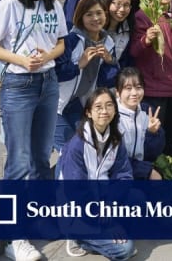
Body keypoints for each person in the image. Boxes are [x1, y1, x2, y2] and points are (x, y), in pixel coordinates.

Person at [0, 0, 67, 261]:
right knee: (18, 162)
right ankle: (14, 238)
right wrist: (19, 59)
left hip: (48, 83)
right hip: (18, 85)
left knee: (42, 158)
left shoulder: (52, 4)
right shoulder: (9, 4)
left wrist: (47, 56)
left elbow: (60, 42)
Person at [58, 88, 137, 260]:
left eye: (109, 105)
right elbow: (75, 192)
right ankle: (79, 237)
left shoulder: (115, 138)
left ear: (115, 110)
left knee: (139, 200)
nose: (104, 111)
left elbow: (124, 176)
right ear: (88, 112)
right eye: (98, 107)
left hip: (103, 201)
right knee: (125, 249)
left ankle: (106, 232)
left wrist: (110, 205)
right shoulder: (77, 145)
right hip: (78, 210)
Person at [131, 0, 172, 156]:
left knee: (170, 138)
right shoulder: (143, 16)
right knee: (154, 138)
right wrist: (146, 39)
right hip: (154, 89)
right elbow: (134, 51)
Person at [55, 0, 118, 152]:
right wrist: (79, 64)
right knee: (67, 152)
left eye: (99, 13)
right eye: (89, 14)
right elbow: (57, 72)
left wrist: (110, 60)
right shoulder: (71, 40)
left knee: (85, 149)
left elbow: (109, 80)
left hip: (79, 105)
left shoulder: (108, 42)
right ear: (80, 17)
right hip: (56, 104)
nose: (95, 18)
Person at [115, 67, 165, 180]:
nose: (134, 93)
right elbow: (114, 160)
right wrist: (147, 171)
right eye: (128, 88)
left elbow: (154, 154)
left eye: (138, 87)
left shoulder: (147, 111)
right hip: (117, 173)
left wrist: (152, 133)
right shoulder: (111, 117)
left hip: (139, 169)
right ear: (117, 92)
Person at [103, 0, 135, 78]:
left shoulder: (128, 31)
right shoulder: (95, 27)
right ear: (108, 3)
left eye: (126, 5)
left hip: (112, 84)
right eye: (117, 4)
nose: (122, 9)